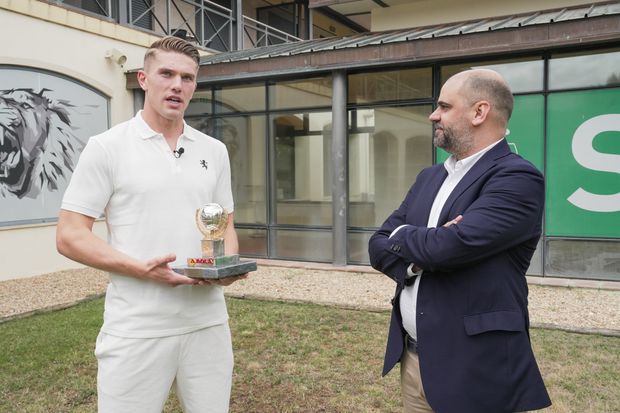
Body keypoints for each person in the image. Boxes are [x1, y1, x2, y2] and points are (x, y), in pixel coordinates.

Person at [56, 36, 247, 413]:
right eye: (166, 74)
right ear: (143, 79)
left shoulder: (214, 151)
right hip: (137, 328)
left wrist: (226, 267)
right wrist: (141, 269)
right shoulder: (107, 147)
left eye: (187, 78)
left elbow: (224, 225)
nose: (177, 85)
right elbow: (69, 235)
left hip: (207, 324)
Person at [368, 69, 551, 413]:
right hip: (414, 361)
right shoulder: (429, 177)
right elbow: (377, 245)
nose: (433, 115)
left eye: (444, 106)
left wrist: (405, 235)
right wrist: (423, 250)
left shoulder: (517, 177)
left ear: (479, 112)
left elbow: (450, 246)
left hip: (476, 369)